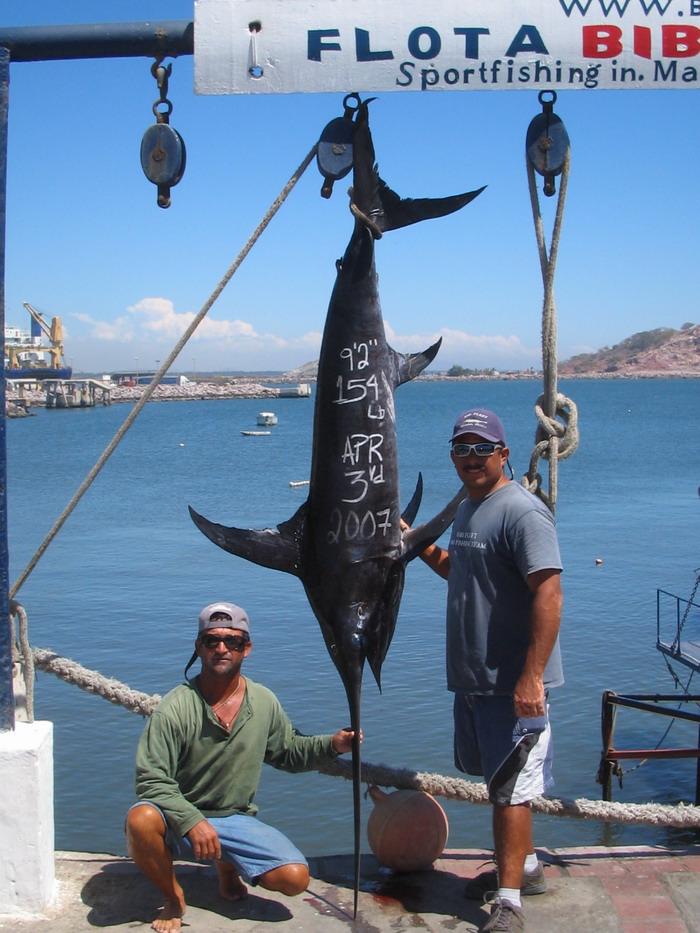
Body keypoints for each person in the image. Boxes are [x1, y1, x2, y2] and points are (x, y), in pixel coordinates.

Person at [415, 409, 563, 933]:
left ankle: (509, 904)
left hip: (512, 683)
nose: (471, 458)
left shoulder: (522, 511)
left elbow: (549, 591)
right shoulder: (468, 509)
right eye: (461, 449)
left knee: (509, 791)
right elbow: (463, 574)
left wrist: (532, 677)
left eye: (481, 448)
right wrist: (416, 543)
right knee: (494, 780)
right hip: (473, 677)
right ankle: (524, 869)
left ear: (503, 453)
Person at [125, 601, 358, 933]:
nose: (222, 648)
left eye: (232, 641)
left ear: (246, 649)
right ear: (199, 647)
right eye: (211, 641)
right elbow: (151, 781)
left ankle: (227, 865)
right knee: (140, 819)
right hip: (179, 818)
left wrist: (334, 745)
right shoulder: (174, 707)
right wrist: (191, 821)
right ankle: (174, 897)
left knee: (294, 879)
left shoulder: (263, 701)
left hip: (234, 818)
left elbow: (288, 752)